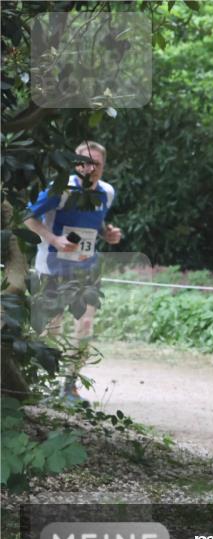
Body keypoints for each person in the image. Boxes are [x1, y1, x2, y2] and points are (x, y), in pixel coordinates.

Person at [23, 140, 122, 403]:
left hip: (86, 269)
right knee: (51, 329)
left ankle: (69, 385)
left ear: (103, 166)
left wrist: (108, 233)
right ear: (74, 163)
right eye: (84, 162)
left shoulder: (107, 192)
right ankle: (43, 383)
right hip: (52, 266)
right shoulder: (62, 189)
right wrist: (54, 240)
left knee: (85, 324)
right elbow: (28, 217)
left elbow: (95, 221)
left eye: (96, 163)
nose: (90, 168)